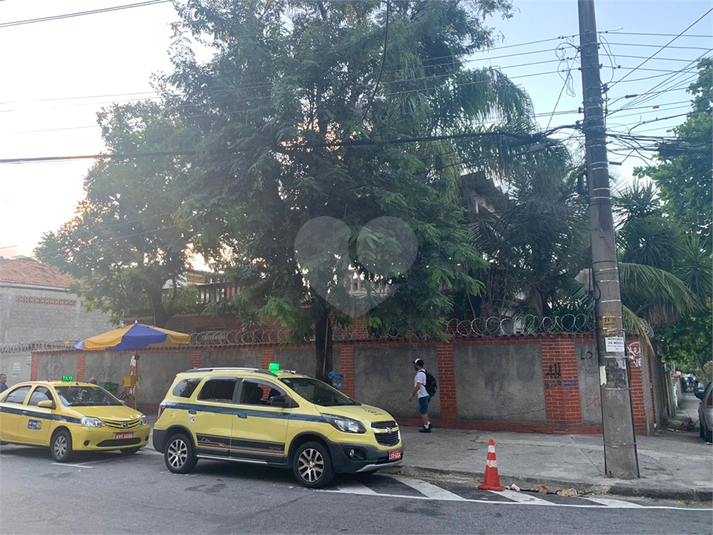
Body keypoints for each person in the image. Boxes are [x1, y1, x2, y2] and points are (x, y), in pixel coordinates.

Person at [409, 359, 432, 433]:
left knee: (423, 412)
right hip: (426, 394)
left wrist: (413, 395)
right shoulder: (424, 372)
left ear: (418, 366)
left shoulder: (420, 374)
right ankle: (428, 423)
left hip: (422, 395)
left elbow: (418, 385)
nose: (415, 367)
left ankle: (426, 427)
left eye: (415, 365)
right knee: (424, 410)